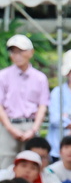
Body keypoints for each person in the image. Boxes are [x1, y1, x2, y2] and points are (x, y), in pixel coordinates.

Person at [0, 35, 49, 168]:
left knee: (31, 164)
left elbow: (42, 105)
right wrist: (10, 128)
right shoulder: (3, 76)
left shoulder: (40, 78)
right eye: (13, 52)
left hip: (30, 125)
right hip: (8, 126)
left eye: (20, 51)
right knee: (5, 163)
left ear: (30, 52)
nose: (17, 56)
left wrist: (33, 129)